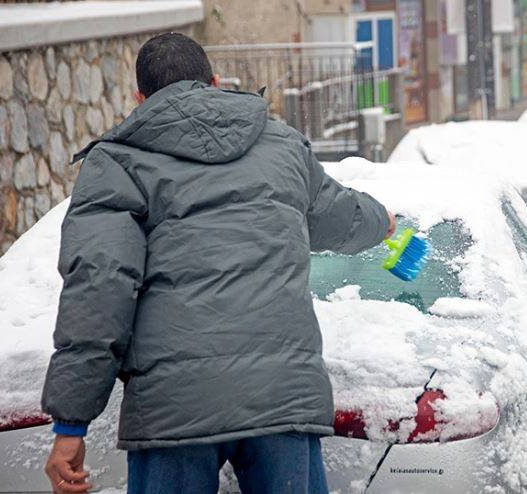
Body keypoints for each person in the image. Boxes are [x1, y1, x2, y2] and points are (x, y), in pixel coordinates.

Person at [40, 32, 395, 494]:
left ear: (140, 98)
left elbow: (99, 287)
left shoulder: (117, 164)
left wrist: (71, 425)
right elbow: (337, 214)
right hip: (281, 396)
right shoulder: (281, 144)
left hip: (174, 411)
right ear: (213, 81)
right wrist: (382, 221)